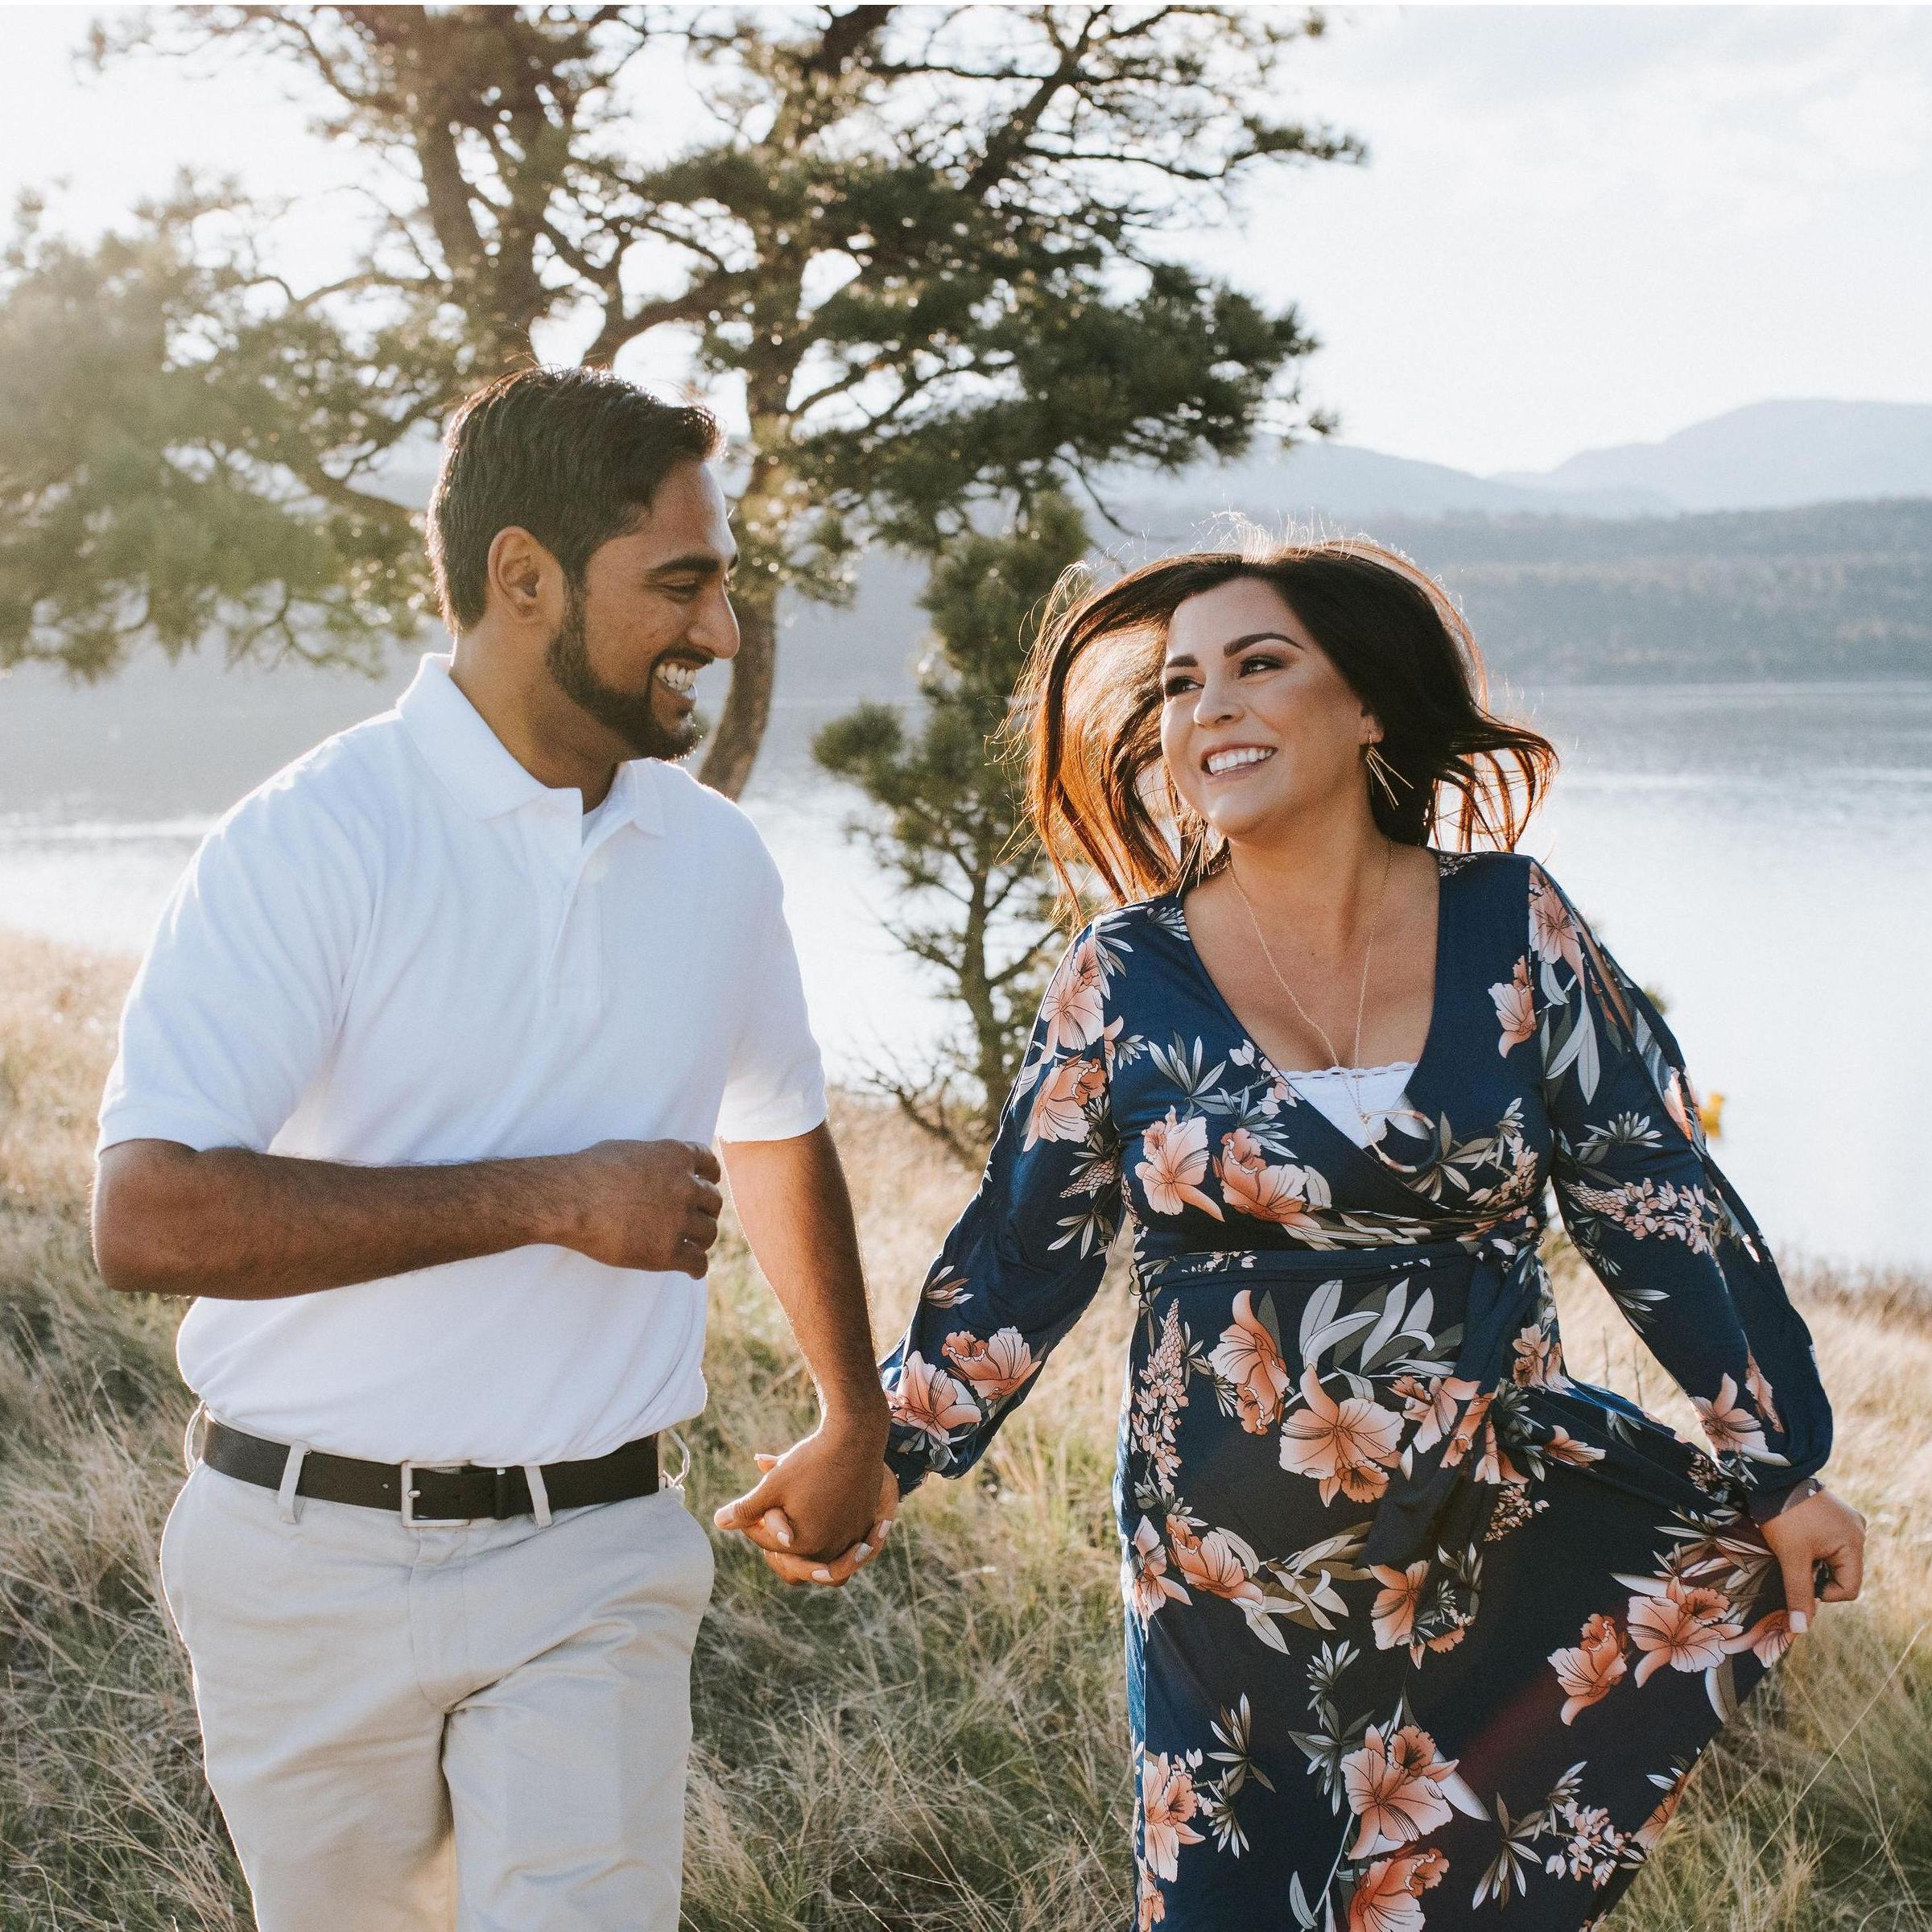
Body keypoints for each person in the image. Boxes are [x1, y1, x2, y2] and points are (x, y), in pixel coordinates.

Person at [723, 536, 1867, 1930]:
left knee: (1440, 1896)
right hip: (1225, 1578)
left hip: (1486, 1533)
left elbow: (1652, 1196)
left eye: (1261, 665)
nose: (1210, 709)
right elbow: (1029, 1246)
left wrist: (1777, 1463)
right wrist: (884, 1445)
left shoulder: (1515, 928)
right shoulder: (1124, 977)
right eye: (1185, 684)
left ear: (1370, 704)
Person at [92, 365, 891, 1932]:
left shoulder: (715, 862)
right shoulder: (313, 841)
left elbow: (778, 1124)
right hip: (296, 1561)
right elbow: (151, 1216)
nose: (720, 636)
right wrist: (547, 1201)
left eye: (723, 588)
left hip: (594, 1559)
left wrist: (851, 1412)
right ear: (523, 578)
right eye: (682, 586)